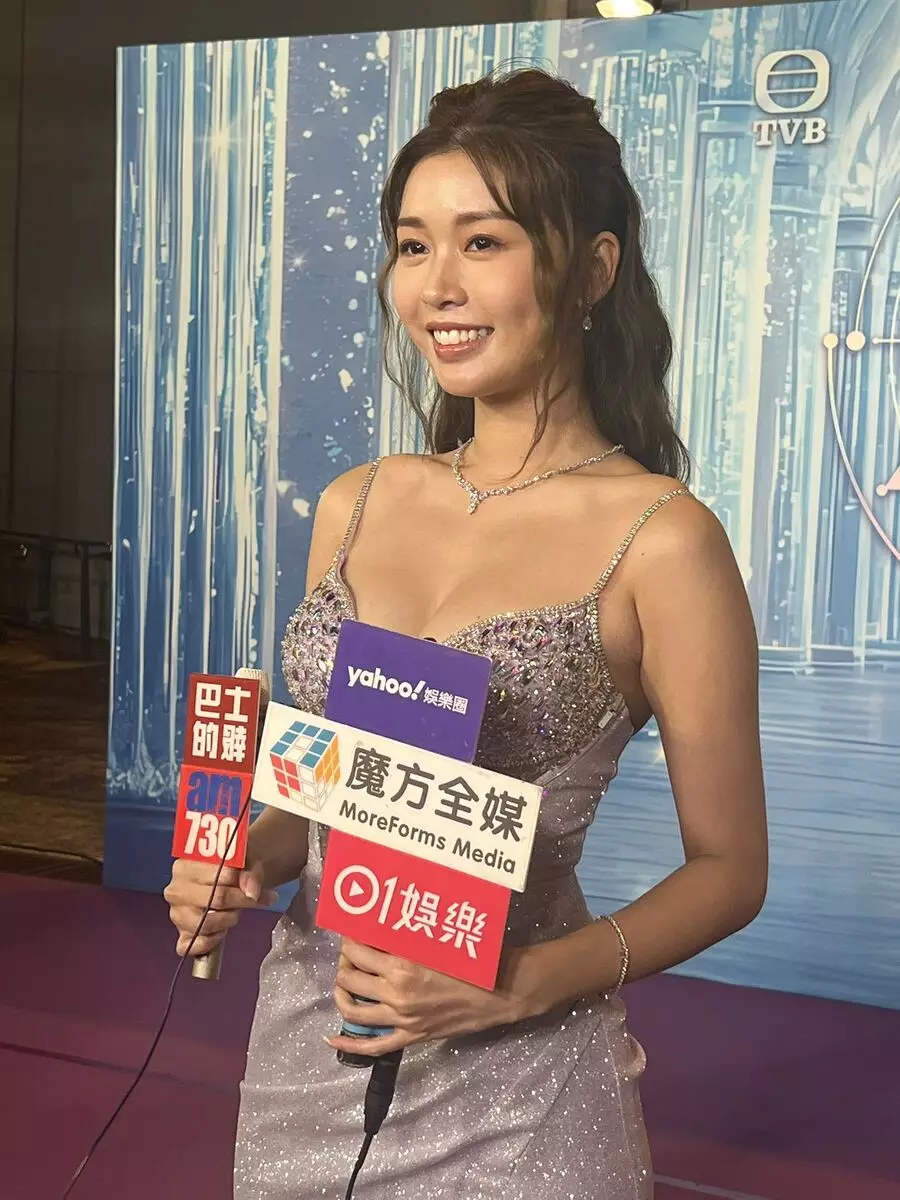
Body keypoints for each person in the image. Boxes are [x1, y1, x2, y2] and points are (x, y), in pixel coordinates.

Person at [165, 68, 767, 1199]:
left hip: (521, 1097)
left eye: (483, 242)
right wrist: (248, 860)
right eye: (412, 245)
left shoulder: (663, 539)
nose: (437, 287)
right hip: (307, 1049)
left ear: (593, 268)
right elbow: (330, 793)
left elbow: (730, 872)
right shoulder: (356, 502)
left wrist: (522, 983)